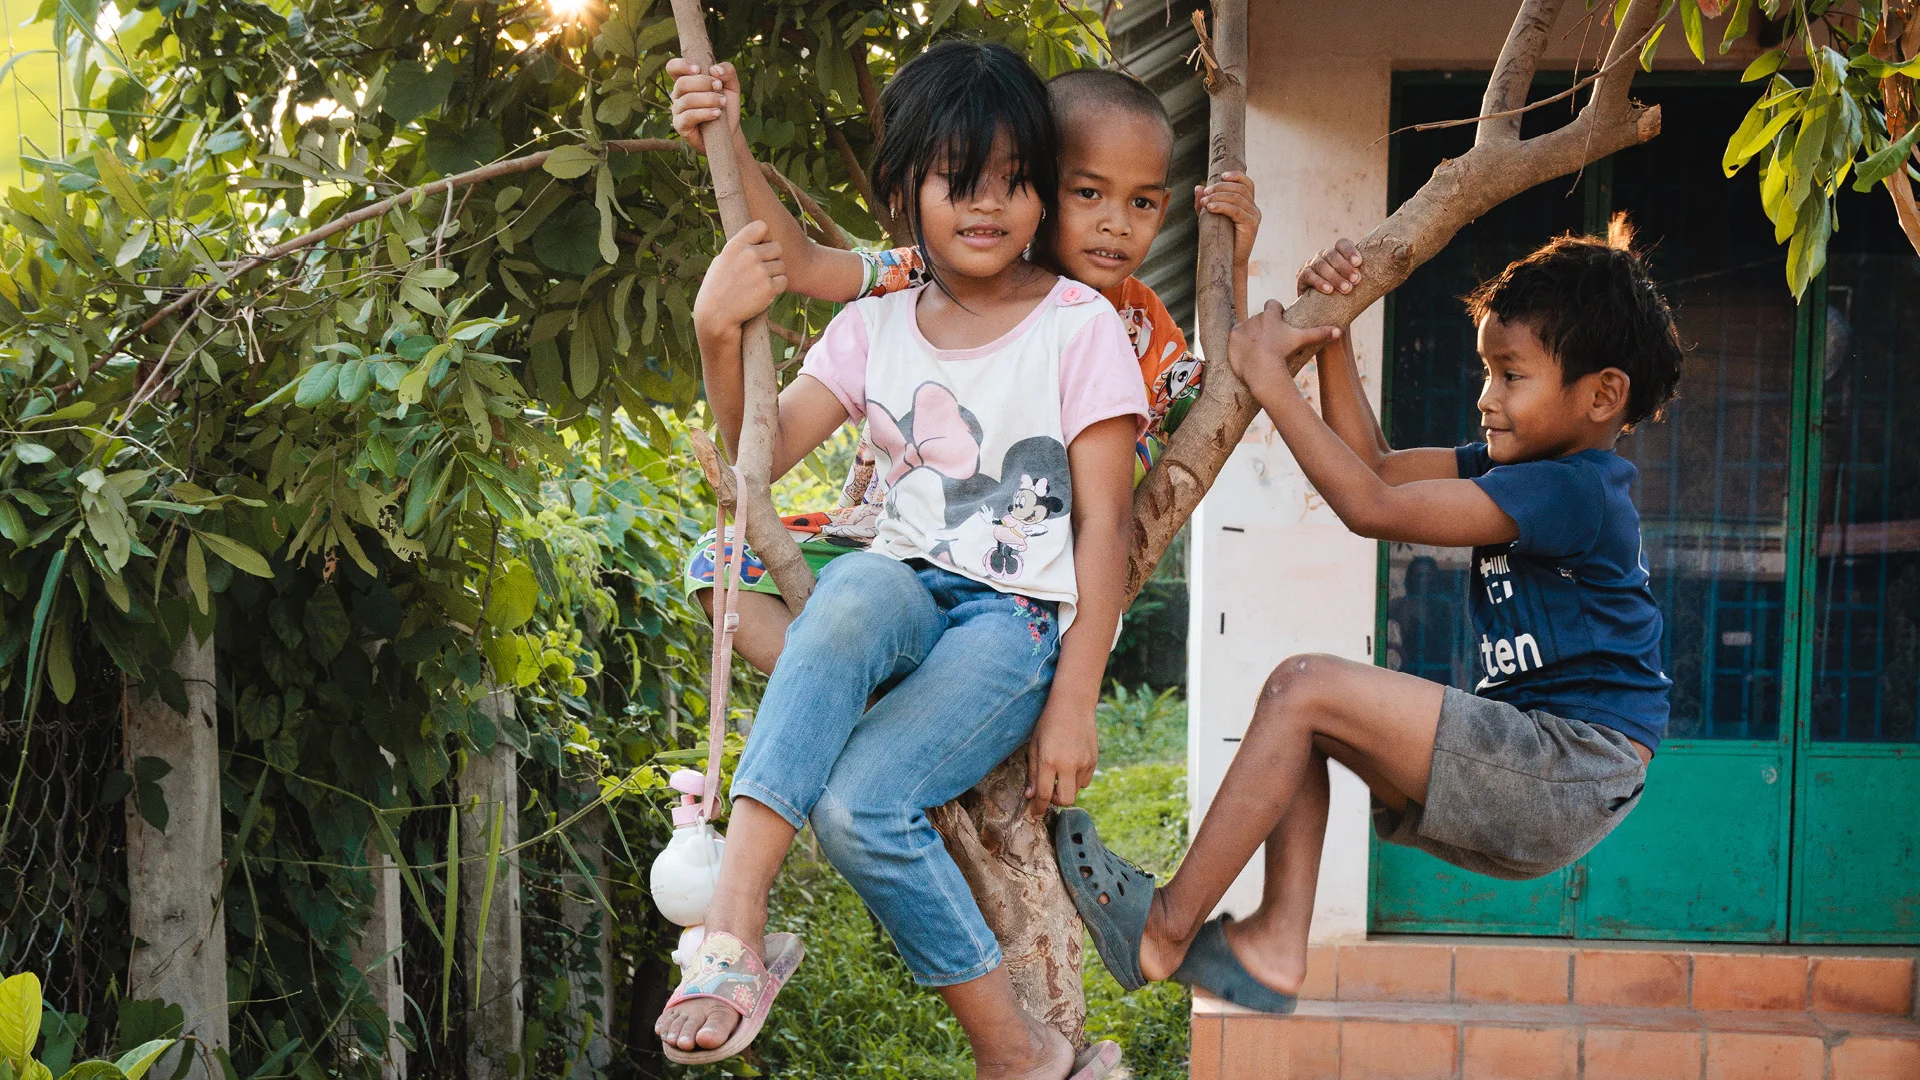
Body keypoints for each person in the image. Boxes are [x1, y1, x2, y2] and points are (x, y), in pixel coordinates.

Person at [655, 41, 1143, 1080]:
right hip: (894, 588)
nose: (989, 207)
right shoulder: (874, 324)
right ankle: (734, 929)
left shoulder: (1077, 326)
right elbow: (762, 456)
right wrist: (715, 332)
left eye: (1016, 183)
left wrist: (1079, 696)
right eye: (958, 182)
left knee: (858, 809)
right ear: (903, 190)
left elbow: (1106, 527)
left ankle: (1019, 1055)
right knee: (865, 581)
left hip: (1008, 626)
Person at [1053, 224, 1681, 1014]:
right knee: (1306, 723)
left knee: (1303, 687)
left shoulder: (1576, 489)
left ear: (1601, 394)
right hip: (1543, 766)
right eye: (1487, 371)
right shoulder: (1523, 469)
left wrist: (1265, 374)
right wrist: (1330, 338)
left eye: (1510, 375)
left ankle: (1166, 929)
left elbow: (1370, 507)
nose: (1485, 397)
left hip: (1567, 766)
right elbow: (1377, 467)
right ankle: (1274, 948)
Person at [666, 56, 1262, 673]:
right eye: (1087, 193)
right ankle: (870, 709)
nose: (1114, 222)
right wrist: (728, 140)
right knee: (723, 562)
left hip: (1022, 579)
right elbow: (801, 261)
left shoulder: (1137, 328)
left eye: (1141, 202)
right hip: (894, 545)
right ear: (1037, 184)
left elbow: (1222, 404)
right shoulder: (944, 274)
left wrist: (1231, 265)